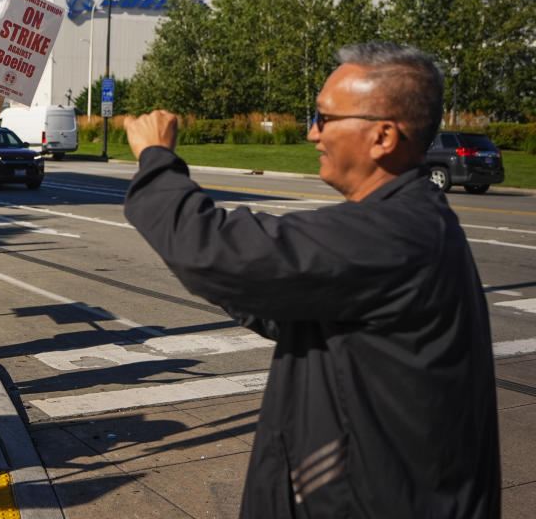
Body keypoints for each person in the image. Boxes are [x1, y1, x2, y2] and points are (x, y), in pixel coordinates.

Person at [123, 42, 500, 518]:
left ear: (383, 136)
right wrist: (239, 281)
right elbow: (286, 299)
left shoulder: (395, 232)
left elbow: (215, 248)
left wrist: (158, 161)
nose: (312, 134)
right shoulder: (402, 221)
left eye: (324, 117)